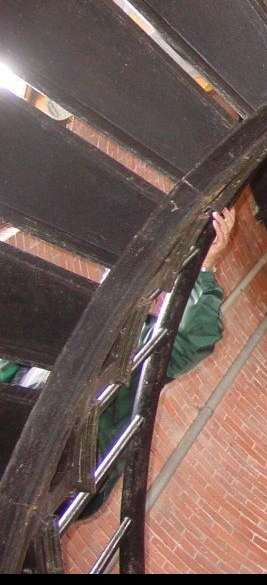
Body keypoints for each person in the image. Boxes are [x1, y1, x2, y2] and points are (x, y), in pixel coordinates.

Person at [0, 208, 237, 518]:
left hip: (65, 454)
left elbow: (191, 338)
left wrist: (205, 266)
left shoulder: (139, 345)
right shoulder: (58, 323)